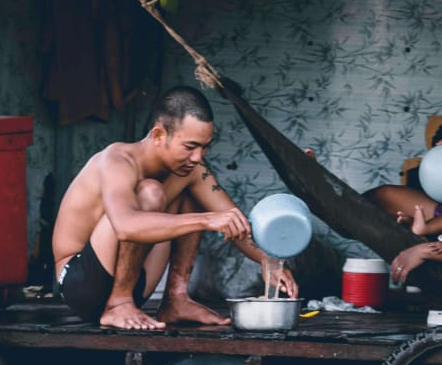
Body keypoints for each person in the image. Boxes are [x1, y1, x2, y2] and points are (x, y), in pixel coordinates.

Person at [52, 86, 298, 330]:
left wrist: (268, 262)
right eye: (190, 147)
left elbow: (233, 221)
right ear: (159, 135)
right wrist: (205, 220)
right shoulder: (117, 161)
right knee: (150, 193)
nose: (198, 157)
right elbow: (126, 227)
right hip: (80, 284)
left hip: (134, 283)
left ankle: (176, 299)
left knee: (189, 191)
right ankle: (119, 302)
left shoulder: (191, 170)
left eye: (205, 147)